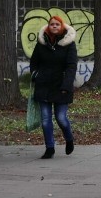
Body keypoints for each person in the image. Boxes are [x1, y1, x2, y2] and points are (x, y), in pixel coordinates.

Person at [30, 16, 78, 159]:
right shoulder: (41, 44)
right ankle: (49, 148)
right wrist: (35, 75)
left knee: (61, 118)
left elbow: (71, 66)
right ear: (48, 27)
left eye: (57, 24)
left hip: (61, 86)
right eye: (52, 24)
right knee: (45, 120)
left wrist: (66, 85)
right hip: (43, 85)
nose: (54, 26)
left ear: (62, 26)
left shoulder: (69, 44)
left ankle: (69, 139)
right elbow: (34, 62)